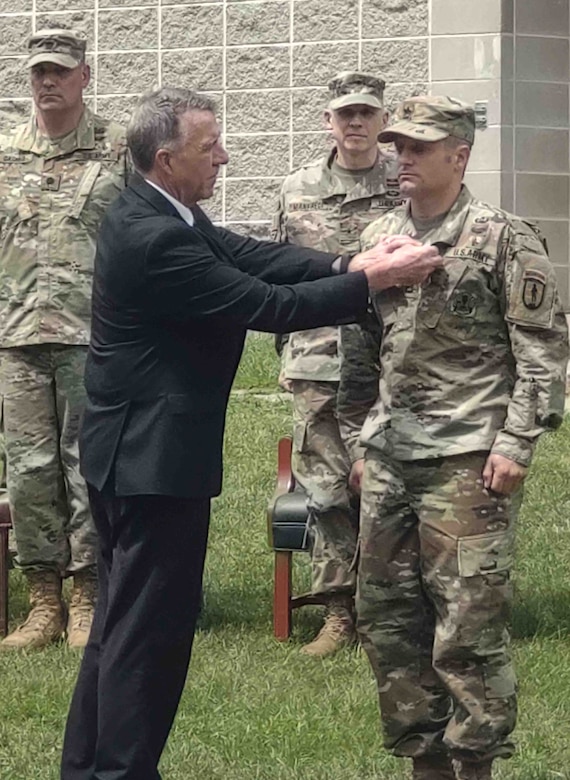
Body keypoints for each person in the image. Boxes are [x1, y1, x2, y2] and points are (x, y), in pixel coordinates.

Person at [59, 86, 442, 780]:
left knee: (120, 626)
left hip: (130, 452)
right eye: (211, 149)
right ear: (168, 157)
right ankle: (120, 771)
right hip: (152, 463)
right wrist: (374, 281)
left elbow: (254, 256)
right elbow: (265, 304)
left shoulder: (160, 209)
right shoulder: (155, 237)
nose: (225, 158)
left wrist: (344, 265)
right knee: (149, 636)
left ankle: (89, 767)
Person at [344, 95, 569, 780]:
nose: (402, 157)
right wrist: (358, 440)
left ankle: (475, 764)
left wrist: (515, 444)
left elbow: (543, 352)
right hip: (389, 457)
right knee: (388, 618)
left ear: (459, 155)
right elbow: (359, 348)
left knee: (467, 626)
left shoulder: (502, 237)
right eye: (398, 145)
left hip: (467, 459)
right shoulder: (381, 235)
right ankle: (424, 762)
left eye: (418, 146)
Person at [0, 29, 130, 650]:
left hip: (92, 336)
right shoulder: (4, 151)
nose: (47, 82)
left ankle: (87, 596)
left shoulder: (119, 151)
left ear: (85, 75)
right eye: (38, 73)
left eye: (59, 71)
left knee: (88, 467)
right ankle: (42, 599)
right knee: (27, 470)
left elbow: (145, 236)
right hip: (17, 335)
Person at [272, 71, 401, 657]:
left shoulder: (404, 184)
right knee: (324, 493)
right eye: (345, 113)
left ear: (382, 120)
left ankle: (389, 611)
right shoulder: (296, 188)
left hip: (388, 364)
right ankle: (337, 612)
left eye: (366, 114)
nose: (355, 123)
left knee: (387, 488)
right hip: (317, 361)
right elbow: (277, 271)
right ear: (328, 120)